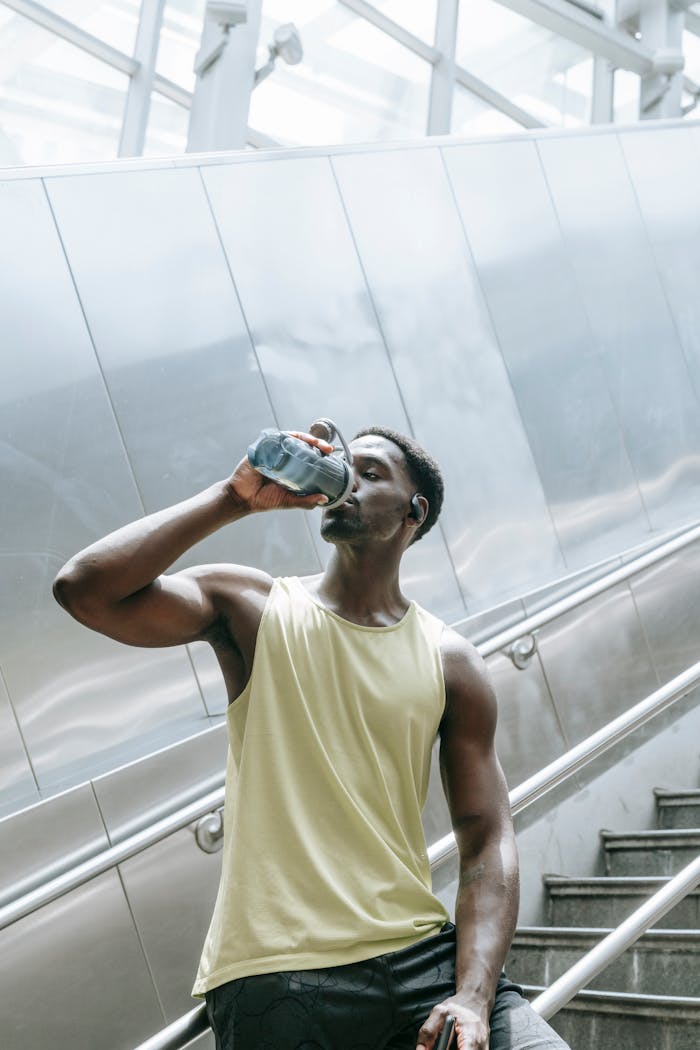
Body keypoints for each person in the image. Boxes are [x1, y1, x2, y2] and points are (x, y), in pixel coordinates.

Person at [53, 426, 570, 1050]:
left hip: (421, 962)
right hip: (277, 975)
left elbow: (488, 836)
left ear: (415, 512)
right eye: (345, 465)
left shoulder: (450, 662)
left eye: (372, 472)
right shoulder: (250, 604)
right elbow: (85, 589)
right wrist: (232, 498)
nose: (348, 478)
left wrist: (474, 994)